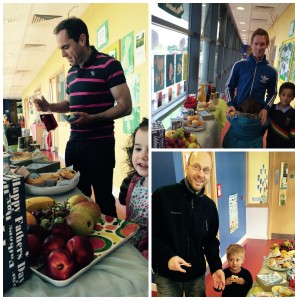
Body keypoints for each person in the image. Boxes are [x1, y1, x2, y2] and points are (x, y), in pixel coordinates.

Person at [34, 17, 132, 218]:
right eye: (60, 49)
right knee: (76, 198)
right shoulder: (70, 73)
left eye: (66, 47)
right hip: (75, 144)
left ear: (82, 39)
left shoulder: (109, 65)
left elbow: (125, 106)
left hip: (100, 146)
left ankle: (112, 247)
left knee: (104, 201)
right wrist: (50, 106)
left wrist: (93, 118)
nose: (63, 54)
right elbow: (70, 103)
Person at [152, 152, 225, 297]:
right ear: (187, 168)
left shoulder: (209, 206)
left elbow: (210, 241)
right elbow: (153, 235)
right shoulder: (162, 196)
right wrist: (168, 257)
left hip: (196, 276)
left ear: (209, 174)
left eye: (206, 170)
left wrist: (216, 267)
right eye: (196, 167)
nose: (200, 174)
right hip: (167, 275)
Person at [225, 28, 278, 126]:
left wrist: (266, 108)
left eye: (262, 44)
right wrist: (230, 104)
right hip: (238, 111)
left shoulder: (271, 71)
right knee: (235, 139)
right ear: (251, 44)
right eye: (256, 43)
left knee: (254, 140)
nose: (259, 47)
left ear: (266, 45)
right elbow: (229, 86)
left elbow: (273, 93)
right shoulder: (239, 65)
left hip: (257, 115)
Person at [119, 118, 148, 259]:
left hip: (144, 255)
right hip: (128, 244)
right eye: (138, 148)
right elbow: (128, 212)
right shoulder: (133, 182)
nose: (143, 156)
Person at [266, 82, 295, 148]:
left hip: (284, 146)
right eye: (283, 94)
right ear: (279, 94)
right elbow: (265, 125)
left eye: (289, 96)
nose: (286, 98)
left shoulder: (294, 114)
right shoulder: (271, 108)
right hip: (269, 144)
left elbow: (293, 136)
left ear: (293, 97)